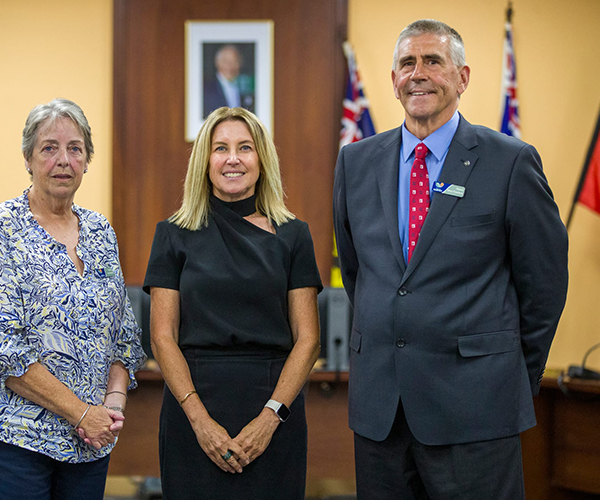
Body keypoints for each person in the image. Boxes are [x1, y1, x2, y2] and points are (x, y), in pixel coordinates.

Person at [333, 19, 568, 499]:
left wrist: (507, 376)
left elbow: (544, 284)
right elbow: (360, 275)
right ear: (393, 79)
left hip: (478, 411)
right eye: (406, 63)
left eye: (433, 61)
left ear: (462, 78)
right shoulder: (355, 162)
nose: (418, 73)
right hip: (382, 415)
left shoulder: (510, 162)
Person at [0, 98, 146, 500]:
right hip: (9, 437)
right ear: (28, 158)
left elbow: (123, 335)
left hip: (88, 442)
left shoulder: (100, 231)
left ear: (88, 160)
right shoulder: (1, 227)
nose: (63, 160)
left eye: (75, 148)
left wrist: (111, 406)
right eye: (49, 148)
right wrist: (80, 412)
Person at [144, 106, 322, 499]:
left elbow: (308, 340)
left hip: (275, 407)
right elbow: (161, 337)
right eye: (220, 148)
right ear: (205, 161)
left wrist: (269, 419)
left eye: (245, 147)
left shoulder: (294, 235)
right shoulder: (173, 235)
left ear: (262, 158)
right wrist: (201, 421)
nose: (233, 158)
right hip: (192, 406)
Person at [203, 45, 254, 117]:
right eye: (226, 61)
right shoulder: (206, 90)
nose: (230, 66)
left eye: (235, 61)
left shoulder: (246, 89)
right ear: (217, 63)